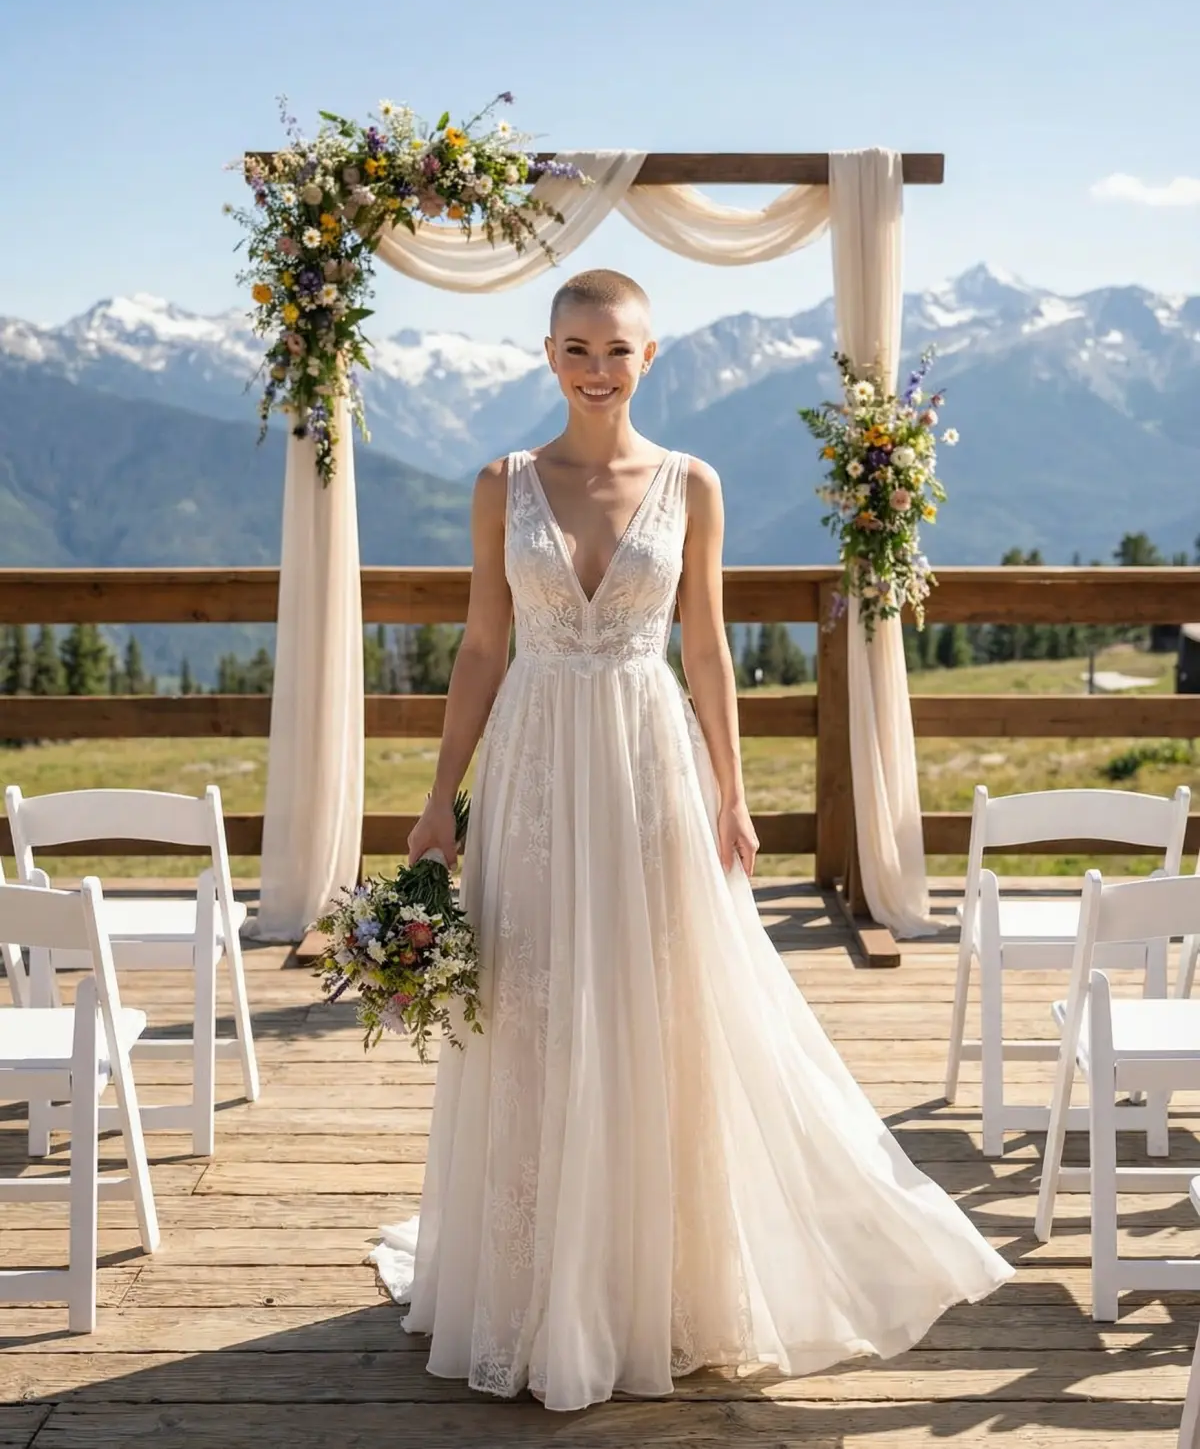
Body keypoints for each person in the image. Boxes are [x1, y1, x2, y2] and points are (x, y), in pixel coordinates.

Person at [374, 268, 1012, 1412]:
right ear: (549, 355)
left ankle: (647, 1279)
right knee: (528, 997)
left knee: (648, 997)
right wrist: (438, 799)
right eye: (576, 348)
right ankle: (530, 1282)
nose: (597, 370)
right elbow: (478, 647)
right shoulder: (501, 482)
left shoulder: (691, 484)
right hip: (528, 764)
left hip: (645, 760)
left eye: (617, 350)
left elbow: (707, 648)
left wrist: (733, 787)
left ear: (650, 357)